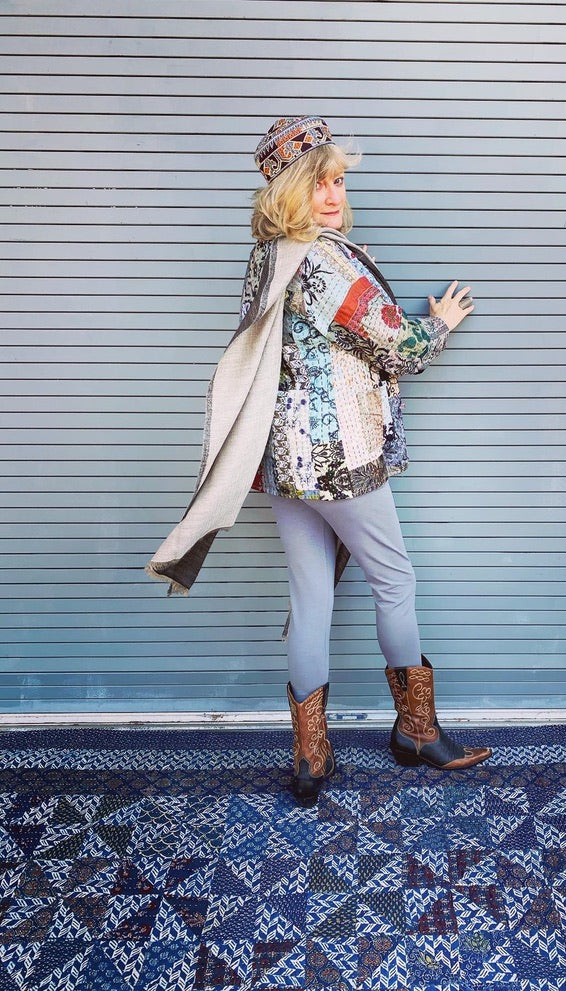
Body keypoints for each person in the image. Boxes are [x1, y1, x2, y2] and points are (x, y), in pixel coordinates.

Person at [147, 116, 491, 806]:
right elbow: (403, 348)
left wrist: (355, 269)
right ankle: (417, 731)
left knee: (311, 596)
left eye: (337, 180)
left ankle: (311, 756)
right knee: (394, 579)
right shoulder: (323, 261)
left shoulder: (269, 255)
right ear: (289, 192)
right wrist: (442, 321)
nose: (333, 195)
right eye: (317, 183)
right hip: (339, 455)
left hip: (283, 459)